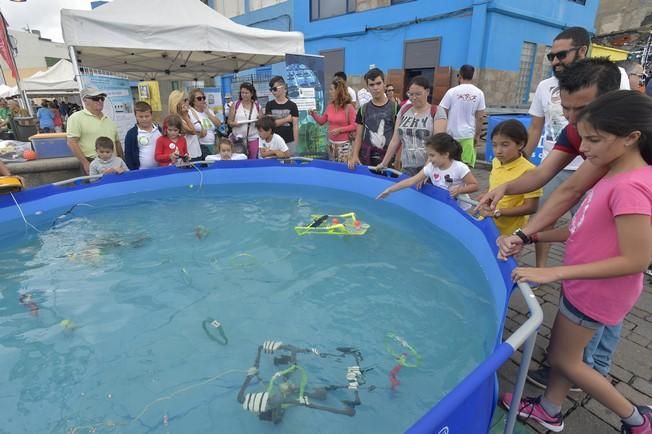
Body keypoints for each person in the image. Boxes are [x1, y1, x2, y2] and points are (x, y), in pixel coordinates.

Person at [502, 90, 652, 434]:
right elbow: (578, 230)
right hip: (585, 287)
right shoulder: (610, 173)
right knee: (564, 355)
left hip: (595, 293)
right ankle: (549, 410)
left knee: (564, 360)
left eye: (594, 139)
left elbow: (636, 259)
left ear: (631, 138)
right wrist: (532, 236)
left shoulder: (629, 187)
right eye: (582, 137)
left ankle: (636, 418)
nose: (582, 148)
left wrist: (553, 271)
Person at [478, 58, 624, 389]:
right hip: (596, 233)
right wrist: (504, 189)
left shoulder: (628, 141)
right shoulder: (579, 129)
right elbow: (544, 174)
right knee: (586, 304)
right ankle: (575, 363)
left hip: (624, 233)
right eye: (567, 109)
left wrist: (526, 237)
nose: (573, 121)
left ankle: (589, 368)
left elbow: (570, 189)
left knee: (608, 299)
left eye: (582, 108)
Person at [376, 133, 478, 210]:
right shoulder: (431, 167)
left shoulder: (459, 167)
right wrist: (389, 190)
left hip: (461, 209)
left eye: (432, 155)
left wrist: (460, 190)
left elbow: (475, 185)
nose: (429, 159)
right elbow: (411, 181)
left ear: (445, 155)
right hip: (445, 205)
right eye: (428, 155)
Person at [478, 120, 542, 235]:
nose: (498, 151)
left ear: (521, 144)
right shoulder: (496, 162)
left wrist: (498, 212)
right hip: (488, 223)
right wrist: (487, 196)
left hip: (510, 233)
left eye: (505, 145)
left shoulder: (530, 171)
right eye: (494, 145)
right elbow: (495, 186)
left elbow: (531, 207)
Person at [377, 76, 438, 175]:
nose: (414, 98)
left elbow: (438, 145)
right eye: (411, 94)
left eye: (418, 94)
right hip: (408, 167)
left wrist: (425, 172)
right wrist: (384, 163)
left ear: (427, 92)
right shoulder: (404, 110)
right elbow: (395, 140)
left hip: (430, 168)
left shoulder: (436, 111)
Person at [347, 68, 398, 169]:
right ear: (368, 87)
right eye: (371, 85)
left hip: (387, 160)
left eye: (378, 83)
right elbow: (359, 136)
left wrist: (397, 160)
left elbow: (399, 137)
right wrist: (355, 155)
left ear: (384, 84)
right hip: (366, 159)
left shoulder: (395, 108)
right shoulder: (363, 109)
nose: (375, 87)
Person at [438, 64, 486, 168]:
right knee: (465, 167)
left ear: (460, 75)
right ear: (472, 76)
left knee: (449, 165)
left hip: (451, 136)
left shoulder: (451, 92)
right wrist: (477, 135)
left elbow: (441, 111)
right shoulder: (479, 93)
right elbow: (480, 117)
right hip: (468, 136)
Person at [67, 87, 121, 175]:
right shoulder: (76, 118)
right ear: (85, 100)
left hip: (113, 163)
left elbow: (117, 142)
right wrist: (85, 163)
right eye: (96, 98)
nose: (100, 101)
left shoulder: (108, 119)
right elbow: (72, 142)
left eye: (102, 98)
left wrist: (121, 160)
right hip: (93, 163)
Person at [309, 77, 357, 162]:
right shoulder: (330, 106)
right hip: (331, 145)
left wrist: (340, 130)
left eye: (331, 89)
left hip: (344, 147)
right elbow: (322, 121)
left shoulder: (349, 107)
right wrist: (313, 114)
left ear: (338, 91)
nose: (329, 92)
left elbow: (355, 125)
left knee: (343, 171)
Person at [265, 76, 299, 155]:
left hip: (289, 141)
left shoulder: (292, 105)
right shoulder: (269, 105)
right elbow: (270, 125)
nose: (273, 92)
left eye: (275, 89)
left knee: (290, 164)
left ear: (283, 87)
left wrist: (296, 143)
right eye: (271, 89)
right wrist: (286, 119)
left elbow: (295, 126)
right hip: (273, 141)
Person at [124, 101, 162, 170]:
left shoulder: (159, 130)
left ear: (151, 115)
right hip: (141, 172)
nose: (144, 119)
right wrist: (134, 172)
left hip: (161, 170)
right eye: (141, 117)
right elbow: (128, 156)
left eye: (147, 116)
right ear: (136, 116)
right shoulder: (131, 134)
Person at [227, 82, 261, 159]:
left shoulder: (257, 105)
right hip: (238, 139)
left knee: (253, 159)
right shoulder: (235, 105)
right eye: (242, 92)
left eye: (246, 93)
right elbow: (229, 122)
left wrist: (259, 120)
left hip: (253, 137)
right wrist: (235, 124)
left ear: (252, 93)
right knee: (239, 159)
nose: (244, 95)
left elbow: (262, 122)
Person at [168, 90, 202, 162]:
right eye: (185, 100)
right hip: (186, 154)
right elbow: (192, 131)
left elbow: (200, 127)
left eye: (187, 100)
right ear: (177, 103)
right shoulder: (175, 118)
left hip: (197, 150)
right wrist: (185, 116)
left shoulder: (189, 112)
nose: (187, 102)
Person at [189, 88, 221, 157]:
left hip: (213, 145)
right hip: (201, 145)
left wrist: (208, 113)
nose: (202, 100)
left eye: (203, 97)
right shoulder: (190, 112)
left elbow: (218, 124)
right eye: (199, 98)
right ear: (193, 101)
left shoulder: (208, 111)